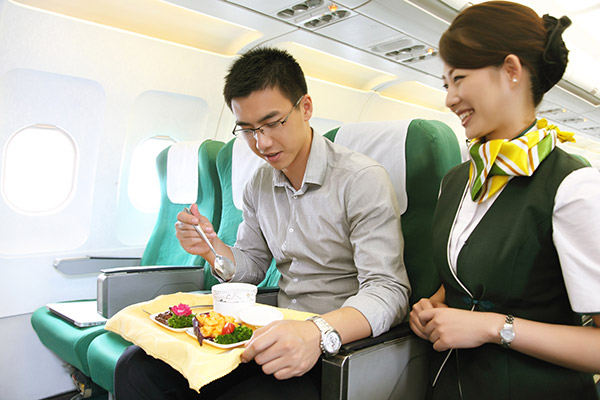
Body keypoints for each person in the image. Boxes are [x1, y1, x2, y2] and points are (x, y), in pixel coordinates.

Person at [114, 47, 410, 399]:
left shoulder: (360, 179)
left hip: (335, 346)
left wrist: (317, 332)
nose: (262, 142)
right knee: (135, 368)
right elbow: (253, 266)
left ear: (306, 108)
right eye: (248, 129)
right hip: (273, 331)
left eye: (273, 123)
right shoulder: (258, 184)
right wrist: (212, 250)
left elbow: (389, 290)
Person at [409, 2, 600, 399]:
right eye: (446, 84)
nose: (449, 99)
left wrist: (494, 327)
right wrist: (432, 306)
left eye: (459, 78)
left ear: (511, 71)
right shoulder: (456, 180)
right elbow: (464, 282)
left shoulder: (572, 184)